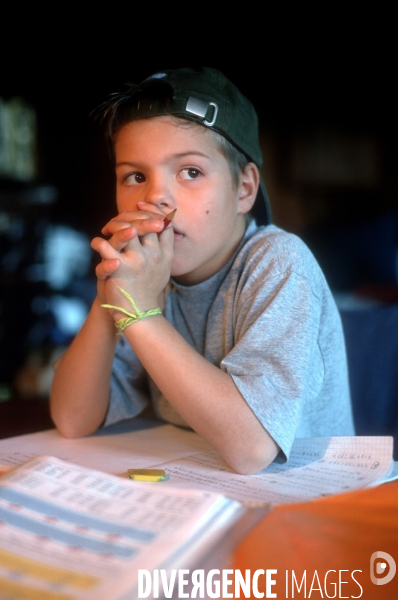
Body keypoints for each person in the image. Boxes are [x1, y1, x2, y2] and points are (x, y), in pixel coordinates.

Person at [50, 67, 355, 474]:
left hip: (307, 498)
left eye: (190, 172)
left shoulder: (278, 261)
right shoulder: (147, 280)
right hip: (201, 486)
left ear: (244, 189)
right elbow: (72, 419)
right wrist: (113, 294)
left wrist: (139, 314)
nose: (155, 197)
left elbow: (251, 450)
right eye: (135, 176)